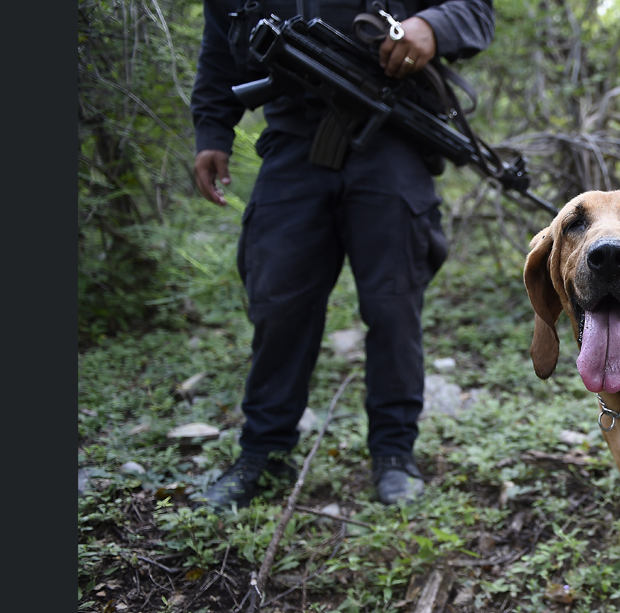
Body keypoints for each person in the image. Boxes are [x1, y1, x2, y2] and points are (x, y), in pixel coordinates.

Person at [190, 0, 494, 507]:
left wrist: (430, 27)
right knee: (277, 302)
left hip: (390, 132)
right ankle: (263, 454)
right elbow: (219, 46)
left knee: (394, 306)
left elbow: (475, 10)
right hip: (292, 140)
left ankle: (395, 454)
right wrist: (212, 130)